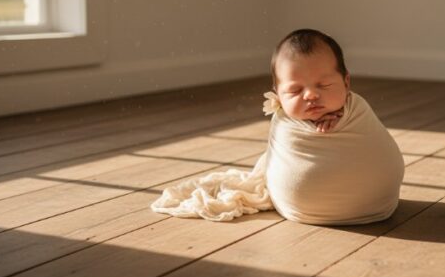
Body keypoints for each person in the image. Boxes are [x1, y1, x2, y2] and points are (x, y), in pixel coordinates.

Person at [150, 28, 404, 224]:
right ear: (278, 95)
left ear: (346, 82)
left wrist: (341, 118)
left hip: (376, 205)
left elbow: (371, 144)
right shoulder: (284, 121)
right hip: (304, 209)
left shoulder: (357, 111)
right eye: (295, 90)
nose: (311, 96)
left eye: (324, 86)